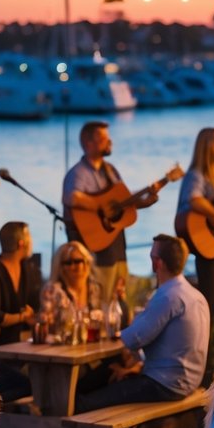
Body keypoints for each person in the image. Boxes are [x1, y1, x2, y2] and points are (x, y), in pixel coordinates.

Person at [74, 235, 209, 414]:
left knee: (85, 403)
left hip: (166, 384)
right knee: (111, 373)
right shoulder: (195, 295)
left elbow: (135, 338)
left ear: (157, 263)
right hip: (185, 380)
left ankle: (51, 425)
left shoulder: (168, 296)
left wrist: (117, 335)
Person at [63, 120, 160, 304]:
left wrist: (145, 201)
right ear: (88, 143)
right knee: (98, 296)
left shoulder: (110, 170)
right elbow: (72, 198)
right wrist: (101, 206)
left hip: (115, 242)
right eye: (103, 138)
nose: (110, 142)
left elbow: (121, 202)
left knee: (118, 293)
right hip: (93, 245)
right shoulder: (78, 173)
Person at [176, 127, 214, 316]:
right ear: (207, 146)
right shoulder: (196, 175)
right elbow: (194, 199)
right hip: (204, 241)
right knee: (208, 301)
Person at [0, 220, 37, 401]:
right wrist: (23, 316)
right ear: (21, 243)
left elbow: (35, 308)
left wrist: (29, 316)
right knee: (29, 384)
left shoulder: (27, 268)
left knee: (41, 380)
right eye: (29, 238)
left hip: (21, 348)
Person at [40, 240, 103, 326]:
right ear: (61, 267)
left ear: (87, 263)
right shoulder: (52, 291)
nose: (74, 266)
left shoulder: (95, 288)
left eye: (78, 261)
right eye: (68, 262)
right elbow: (46, 322)